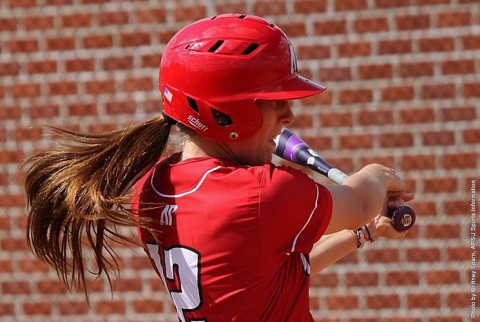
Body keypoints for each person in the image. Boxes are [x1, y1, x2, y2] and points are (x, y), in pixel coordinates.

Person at [23, 14, 413, 321]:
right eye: (274, 101)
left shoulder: (154, 188)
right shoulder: (262, 195)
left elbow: (275, 272)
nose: (289, 114)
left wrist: (362, 233)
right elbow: (361, 198)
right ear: (226, 113)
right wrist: (381, 174)